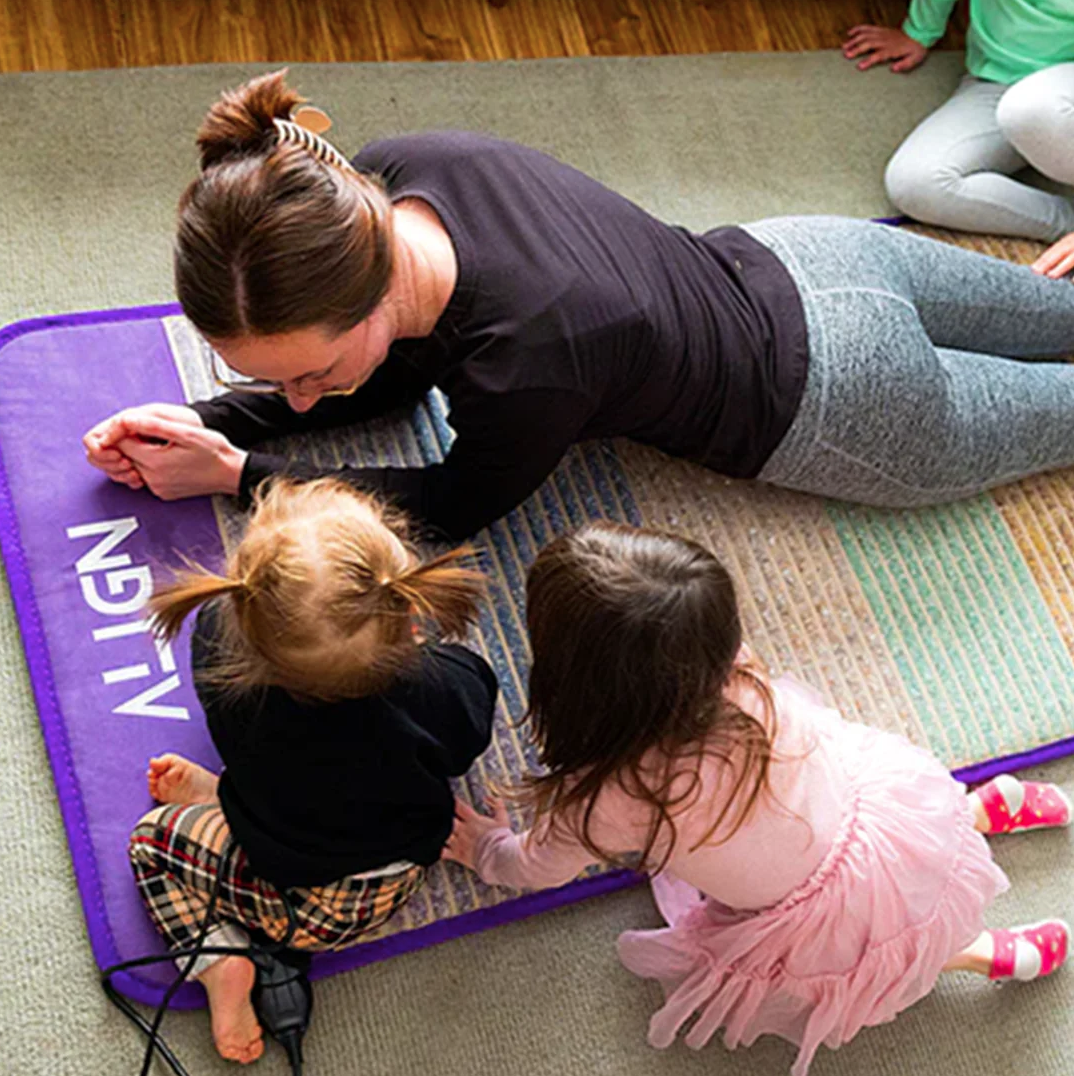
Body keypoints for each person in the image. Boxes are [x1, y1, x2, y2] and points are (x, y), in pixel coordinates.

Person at [85, 71, 1074, 543]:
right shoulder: (399, 172)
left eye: (307, 374)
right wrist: (213, 414)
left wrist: (245, 473)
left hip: (851, 405)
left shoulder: (528, 364)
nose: (299, 401)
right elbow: (390, 374)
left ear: (374, 284)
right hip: (824, 254)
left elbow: (448, 504)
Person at [444, 522, 1071, 1076]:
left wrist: (489, 850)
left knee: (882, 953)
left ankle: (974, 953)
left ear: (571, 683)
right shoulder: (742, 673)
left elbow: (537, 868)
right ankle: (973, 811)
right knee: (906, 857)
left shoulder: (603, 798)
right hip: (887, 813)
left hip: (822, 920)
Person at [128, 476, 497, 1063]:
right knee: (308, 785)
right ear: (409, 616)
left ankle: (220, 959)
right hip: (385, 884)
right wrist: (428, 659)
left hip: (275, 856)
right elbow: (467, 736)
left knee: (152, 844)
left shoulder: (216, 644)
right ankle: (224, 801)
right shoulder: (441, 690)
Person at [844, 3, 1074, 241]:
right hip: (996, 83)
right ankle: (1068, 225)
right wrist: (919, 32)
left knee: (1030, 107)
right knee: (915, 184)